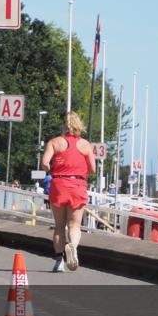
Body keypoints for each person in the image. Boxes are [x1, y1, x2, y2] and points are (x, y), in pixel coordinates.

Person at [41, 111, 96, 273]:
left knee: (59, 226)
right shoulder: (85, 145)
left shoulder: (54, 142)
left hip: (59, 184)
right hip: (77, 185)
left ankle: (59, 262)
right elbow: (93, 168)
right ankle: (72, 247)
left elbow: (45, 162)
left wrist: (50, 169)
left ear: (63, 125)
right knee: (75, 225)